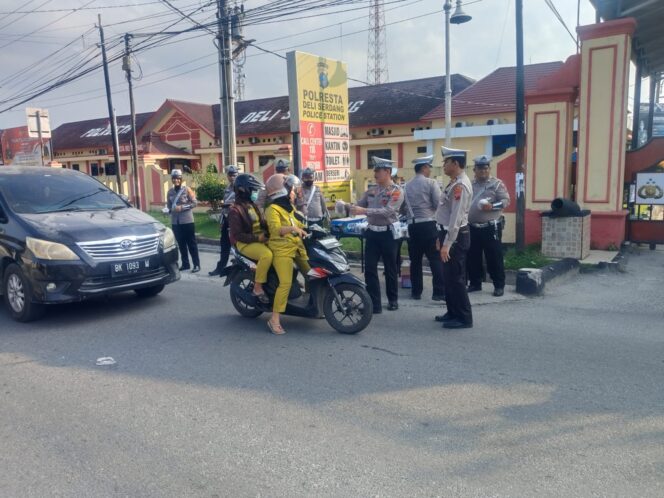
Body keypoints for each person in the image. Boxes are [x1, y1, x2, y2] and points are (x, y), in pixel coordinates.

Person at [350, 157, 404, 313]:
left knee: (390, 269)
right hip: (372, 232)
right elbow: (359, 204)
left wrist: (364, 211)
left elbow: (388, 211)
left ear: (387, 172)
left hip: (388, 234)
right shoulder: (372, 190)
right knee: (370, 270)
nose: (375, 174)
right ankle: (374, 304)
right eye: (374, 171)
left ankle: (393, 300)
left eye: (377, 171)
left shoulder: (397, 191)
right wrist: (348, 206)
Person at [264, 173, 310, 335]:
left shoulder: (288, 209)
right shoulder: (272, 210)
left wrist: (308, 228)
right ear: (282, 191)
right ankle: (274, 319)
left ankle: (311, 303)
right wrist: (293, 229)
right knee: (285, 283)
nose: (293, 193)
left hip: (296, 247)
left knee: (312, 273)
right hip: (281, 250)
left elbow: (297, 223)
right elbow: (276, 230)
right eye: (291, 189)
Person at [434, 147, 473, 329]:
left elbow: (456, 218)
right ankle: (452, 312)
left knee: (456, 278)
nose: (444, 165)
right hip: (447, 234)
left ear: (455, 164)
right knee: (448, 277)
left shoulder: (460, 185)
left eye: (446, 162)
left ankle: (464, 317)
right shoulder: (453, 182)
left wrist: (448, 243)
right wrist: (440, 238)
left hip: (456, 237)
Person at [403, 154, 445, 301]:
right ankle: (439, 292)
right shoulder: (431, 183)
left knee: (415, 261)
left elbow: (403, 209)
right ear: (424, 167)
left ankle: (416, 292)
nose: (430, 171)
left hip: (412, 227)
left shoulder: (406, 186)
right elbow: (438, 205)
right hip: (429, 225)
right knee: (435, 259)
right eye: (429, 168)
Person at [467, 155, 511, 296]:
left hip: (491, 227)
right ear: (474, 170)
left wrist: (492, 206)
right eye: (480, 169)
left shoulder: (496, 184)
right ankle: (475, 283)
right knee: (473, 256)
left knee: (494, 257)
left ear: (489, 169)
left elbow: (506, 200)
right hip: (473, 227)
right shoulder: (470, 185)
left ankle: (499, 285)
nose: (483, 171)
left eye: (485, 168)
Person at [227, 174, 272, 304]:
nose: (255, 193)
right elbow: (237, 235)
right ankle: (257, 288)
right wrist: (258, 238)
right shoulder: (235, 210)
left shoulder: (254, 206)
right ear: (243, 190)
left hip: (259, 240)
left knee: (282, 249)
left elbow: (263, 223)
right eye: (253, 190)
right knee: (267, 255)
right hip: (245, 243)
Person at [167, 169, 200, 272]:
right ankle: (185, 264)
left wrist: (182, 208)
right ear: (172, 179)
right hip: (175, 222)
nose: (176, 180)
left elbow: (194, 203)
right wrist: (167, 210)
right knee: (181, 244)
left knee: (191, 244)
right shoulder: (170, 192)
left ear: (181, 179)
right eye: (174, 178)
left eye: (178, 178)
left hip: (187, 221)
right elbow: (169, 206)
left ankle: (196, 265)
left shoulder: (187, 190)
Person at [209, 165, 238, 276]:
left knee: (237, 246)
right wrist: (221, 222)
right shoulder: (227, 189)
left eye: (234, 175)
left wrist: (233, 204)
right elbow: (224, 208)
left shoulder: (240, 188)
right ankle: (220, 268)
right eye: (230, 175)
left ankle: (238, 267)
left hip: (236, 220)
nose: (232, 177)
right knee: (224, 245)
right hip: (226, 219)